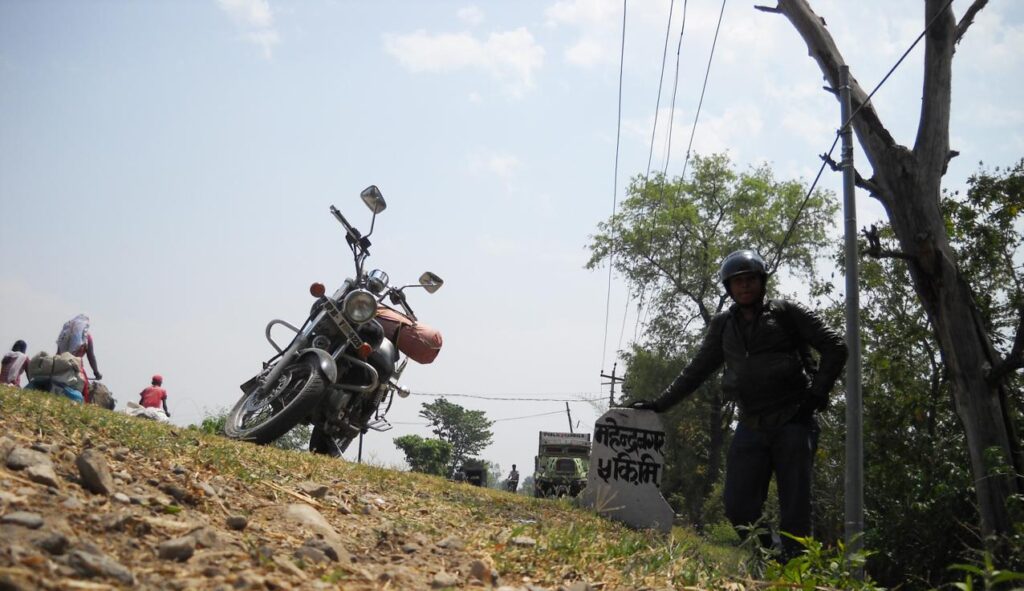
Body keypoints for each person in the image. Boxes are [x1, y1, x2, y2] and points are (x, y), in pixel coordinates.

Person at [630, 249, 848, 559]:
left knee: (795, 506)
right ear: (728, 288)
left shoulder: (786, 312)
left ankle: (795, 570)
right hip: (750, 423)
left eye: (750, 280)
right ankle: (770, 554)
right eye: (737, 282)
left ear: (762, 282)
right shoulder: (723, 326)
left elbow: (835, 346)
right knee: (737, 505)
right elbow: (696, 370)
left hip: (793, 421)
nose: (745, 286)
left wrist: (816, 394)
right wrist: (659, 404)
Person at [56, 314, 101, 402]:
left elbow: (58, 353)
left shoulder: (64, 336)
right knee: (85, 391)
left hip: (60, 365)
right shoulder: (86, 337)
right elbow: (91, 356)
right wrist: (96, 373)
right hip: (76, 368)